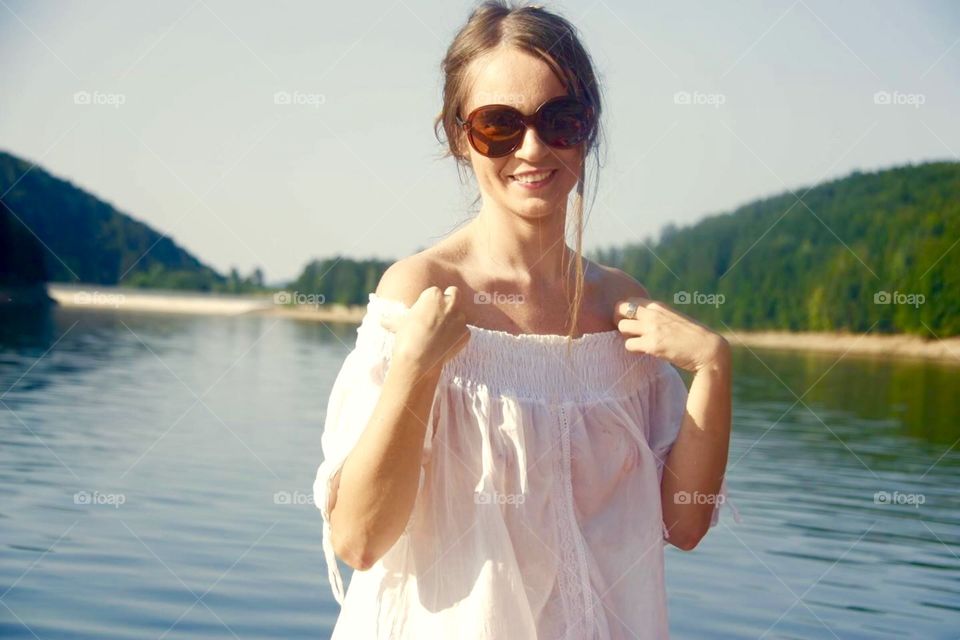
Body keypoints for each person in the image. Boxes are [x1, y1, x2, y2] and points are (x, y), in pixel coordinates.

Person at [312, 2, 738, 637]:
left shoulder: (621, 310)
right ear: (460, 137)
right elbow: (360, 540)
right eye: (498, 125)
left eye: (560, 120)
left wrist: (713, 368)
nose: (532, 148)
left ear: (587, 127)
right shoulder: (423, 290)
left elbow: (684, 525)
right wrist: (414, 370)